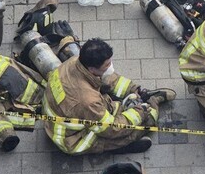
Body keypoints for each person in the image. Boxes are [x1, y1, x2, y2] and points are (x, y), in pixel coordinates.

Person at [42, 37, 176, 155]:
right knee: (146, 121)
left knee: (110, 89)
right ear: (92, 69)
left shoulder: (75, 61)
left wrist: (135, 90)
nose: (110, 67)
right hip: (73, 138)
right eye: (107, 65)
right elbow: (111, 129)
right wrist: (140, 113)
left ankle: (145, 98)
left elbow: (108, 78)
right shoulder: (87, 101)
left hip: (69, 115)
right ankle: (121, 145)